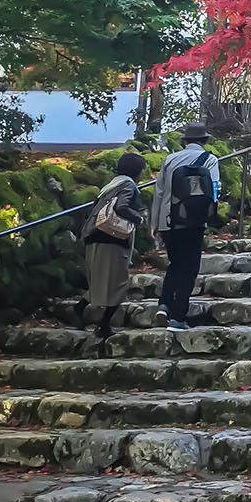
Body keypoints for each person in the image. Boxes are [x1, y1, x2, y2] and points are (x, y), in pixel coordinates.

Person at [150, 123, 220, 332]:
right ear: (204, 141)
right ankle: (178, 317)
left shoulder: (169, 159)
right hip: (194, 221)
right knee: (190, 269)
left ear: (184, 141)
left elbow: (159, 193)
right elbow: (215, 189)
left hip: (169, 220)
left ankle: (163, 305)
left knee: (175, 264)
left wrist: (154, 223)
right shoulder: (210, 160)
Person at [77, 152, 147, 341]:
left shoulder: (112, 184)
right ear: (136, 170)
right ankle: (103, 325)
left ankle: (78, 309)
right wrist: (138, 218)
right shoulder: (128, 185)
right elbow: (121, 208)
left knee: (100, 280)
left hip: (95, 236)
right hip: (111, 239)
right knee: (119, 284)